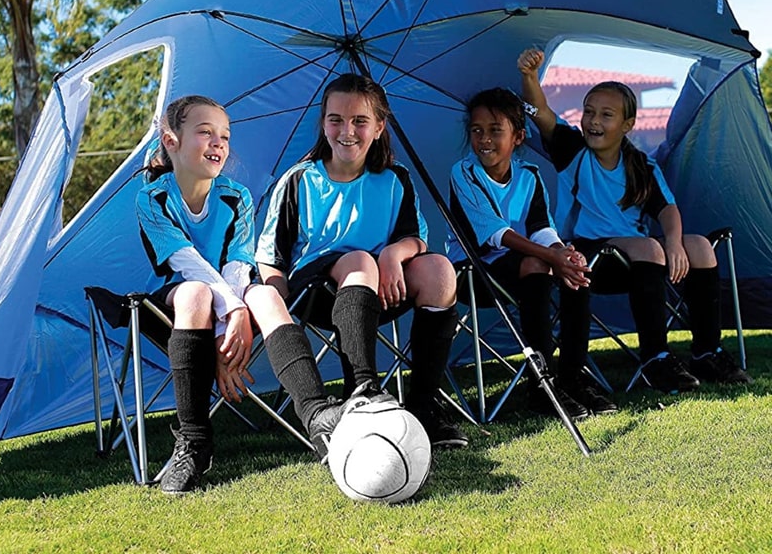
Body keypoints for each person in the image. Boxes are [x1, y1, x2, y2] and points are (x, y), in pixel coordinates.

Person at [136, 95, 347, 494]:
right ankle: (194, 442)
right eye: (205, 132)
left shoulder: (237, 197)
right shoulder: (152, 197)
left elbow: (238, 265)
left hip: (234, 297)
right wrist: (229, 320)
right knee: (196, 292)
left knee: (266, 296)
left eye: (225, 136)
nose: (218, 143)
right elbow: (185, 262)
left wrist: (236, 315)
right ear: (171, 140)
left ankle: (318, 416)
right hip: (178, 307)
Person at [517, 48, 751, 393]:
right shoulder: (572, 150)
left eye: (606, 115)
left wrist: (674, 242)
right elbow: (542, 115)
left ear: (627, 125)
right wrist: (529, 77)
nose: (594, 121)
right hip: (587, 256)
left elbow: (667, 210)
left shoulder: (641, 165)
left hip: (640, 263)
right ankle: (655, 359)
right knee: (646, 246)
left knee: (699, 246)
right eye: (589, 112)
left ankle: (706, 351)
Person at [255, 72, 468, 448]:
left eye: (360, 121)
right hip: (317, 293)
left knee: (439, 270)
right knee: (358, 260)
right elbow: (271, 257)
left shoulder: (394, 177)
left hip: (382, 285)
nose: (346, 130)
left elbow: (414, 238)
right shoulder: (298, 180)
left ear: (379, 126)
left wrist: (392, 253)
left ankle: (423, 407)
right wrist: (277, 309)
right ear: (323, 125)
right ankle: (363, 391)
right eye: (335, 119)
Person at [447, 87, 617, 419]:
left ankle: (571, 376)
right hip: (474, 272)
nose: (484, 139)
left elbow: (541, 227)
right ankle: (541, 386)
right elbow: (495, 234)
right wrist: (551, 256)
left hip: (527, 266)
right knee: (538, 261)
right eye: (477, 130)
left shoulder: (530, 176)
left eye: (496, 130)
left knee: (575, 269)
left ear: (519, 137)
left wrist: (563, 254)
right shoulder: (463, 173)